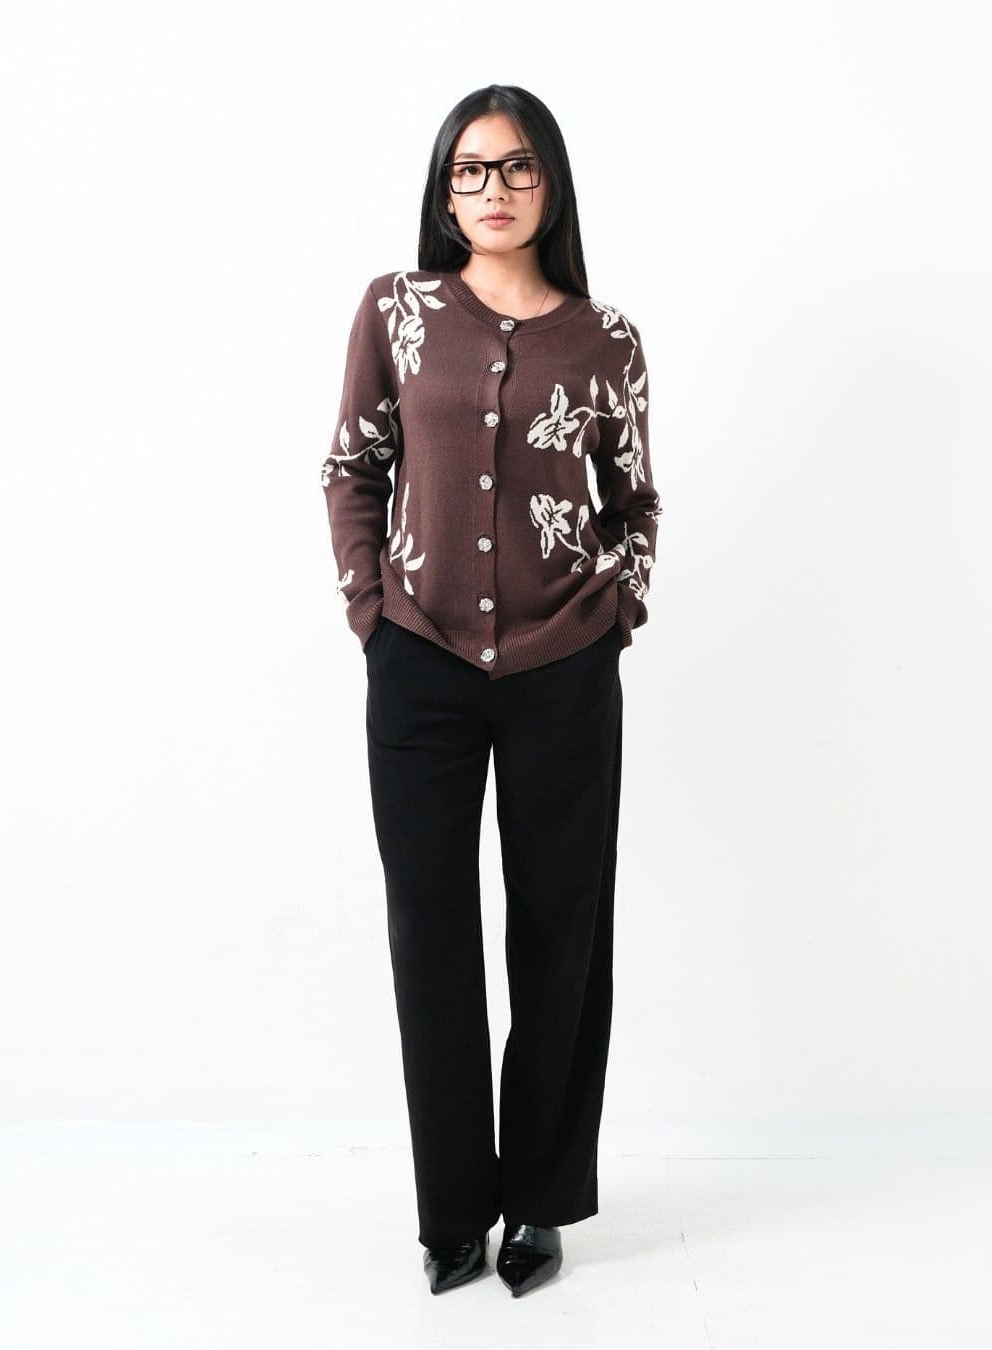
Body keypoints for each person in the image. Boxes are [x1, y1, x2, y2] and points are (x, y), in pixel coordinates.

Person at [320, 83, 663, 1297]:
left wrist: (615, 613)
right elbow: (353, 466)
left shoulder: (605, 339)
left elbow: (635, 498)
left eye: (517, 167)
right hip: (418, 659)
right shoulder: (399, 311)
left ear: (551, 184)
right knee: (430, 928)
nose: (494, 189)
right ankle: (454, 1211)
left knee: (562, 928)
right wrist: (371, 612)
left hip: (565, 666)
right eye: (470, 170)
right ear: (443, 190)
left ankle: (542, 1203)